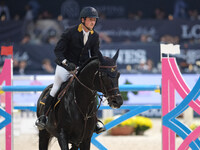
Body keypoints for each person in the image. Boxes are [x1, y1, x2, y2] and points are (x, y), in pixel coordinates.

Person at [35, 6, 106, 134]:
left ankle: (95, 121)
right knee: (56, 88)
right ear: (83, 20)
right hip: (65, 67)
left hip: (82, 69)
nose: (93, 23)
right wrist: (66, 63)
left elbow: (95, 54)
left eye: (94, 20)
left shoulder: (94, 36)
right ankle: (44, 117)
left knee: (91, 91)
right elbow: (58, 51)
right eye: (90, 20)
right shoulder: (70, 32)